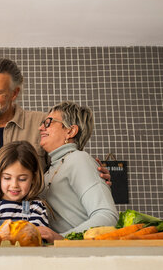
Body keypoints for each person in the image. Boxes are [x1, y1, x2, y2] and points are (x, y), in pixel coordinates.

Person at [0, 58, 110, 193]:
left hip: (32, 222)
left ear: (14, 93)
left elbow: (70, 165)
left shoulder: (43, 125)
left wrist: (94, 178)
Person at [36, 101, 118, 242]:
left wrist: (63, 239)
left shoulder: (79, 160)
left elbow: (107, 216)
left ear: (70, 131)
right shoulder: (53, 168)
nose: (40, 128)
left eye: (48, 122)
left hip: (81, 256)